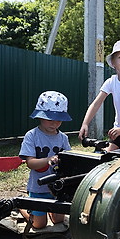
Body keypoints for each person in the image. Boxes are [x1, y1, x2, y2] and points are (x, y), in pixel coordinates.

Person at [19, 91, 72, 229]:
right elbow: (30, 163)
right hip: (38, 187)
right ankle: (23, 206)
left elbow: (69, 159)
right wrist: (48, 159)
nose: (55, 123)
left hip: (58, 187)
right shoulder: (32, 136)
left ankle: (48, 211)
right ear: (40, 116)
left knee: (58, 221)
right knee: (38, 225)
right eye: (50, 119)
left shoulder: (63, 138)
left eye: (59, 120)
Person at [78, 40, 120, 151]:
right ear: (113, 62)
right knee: (106, 156)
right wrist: (85, 124)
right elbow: (96, 104)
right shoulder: (111, 81)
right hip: (119, 128)